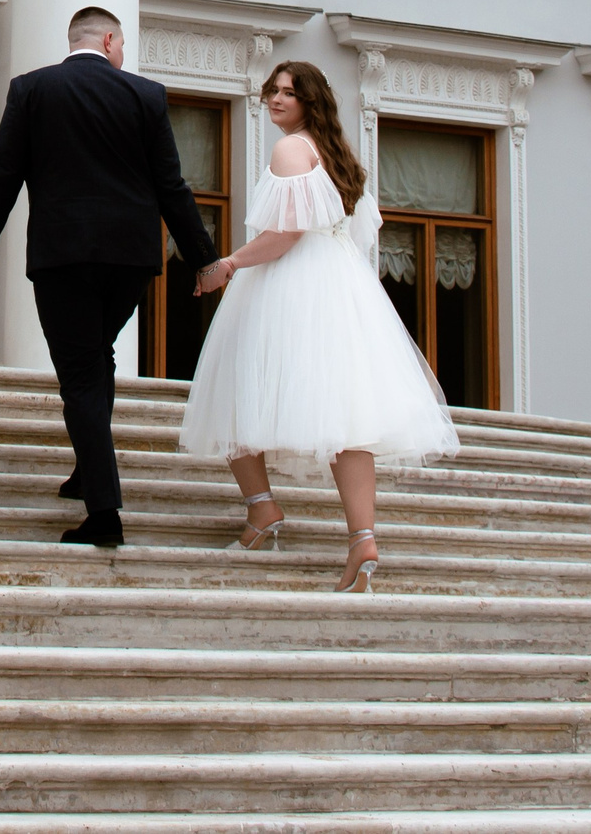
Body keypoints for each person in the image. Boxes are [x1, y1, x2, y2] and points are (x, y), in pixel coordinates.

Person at [179, 59, 462, 592]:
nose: (277, 100)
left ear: (311, 101)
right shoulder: (336, 155)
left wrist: (230, 265)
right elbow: (358, 232)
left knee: (240, 386)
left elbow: (285, 234)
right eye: (273, 91)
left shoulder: (290, 150)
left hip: (290, 281)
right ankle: (363, 538)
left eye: (290, 92)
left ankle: (263, 510)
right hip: (338, 282)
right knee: (345, 414)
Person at [0, 5, 219, 547]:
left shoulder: (31, 90)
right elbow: (172, 185)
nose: (123, 56)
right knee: (98, 356)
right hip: (130, 259)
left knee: (79, 372)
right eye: (122, 46)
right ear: (107, 40)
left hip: (63, 257)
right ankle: (87, 468)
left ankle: (105, 515)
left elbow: (4, 175)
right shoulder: (145, 95)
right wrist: (203, 258)